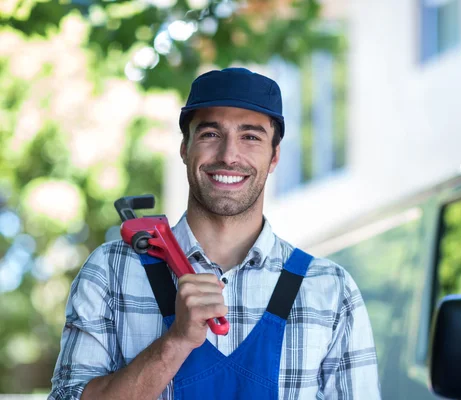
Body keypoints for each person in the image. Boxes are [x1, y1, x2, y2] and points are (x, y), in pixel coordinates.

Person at [49, 68, 380, 399]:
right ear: (184, 148)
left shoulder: (330, 292)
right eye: (210, 134)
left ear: (275, 155)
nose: (228, 156)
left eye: (250, 137)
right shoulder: (111, 272)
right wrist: (175, 343)